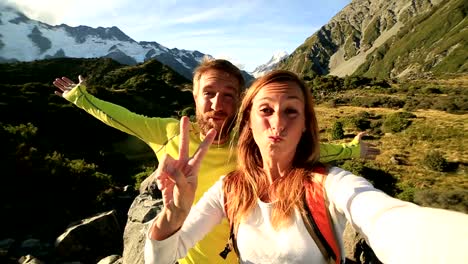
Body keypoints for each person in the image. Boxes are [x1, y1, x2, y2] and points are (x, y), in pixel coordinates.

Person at [52, 58, 379, 264]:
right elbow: (119, 117)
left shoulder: (250, 141)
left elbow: (303, 147)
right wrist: (79, 97)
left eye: (228, 95)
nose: (218, 103)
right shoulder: (169, 133)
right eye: (209, 93)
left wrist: (352, 151)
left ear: (239, 100)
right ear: (195, 96)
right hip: (189, 255)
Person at [145, 70, 468, 264]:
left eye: (291, 112)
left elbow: (388, 219)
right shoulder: (229, 189)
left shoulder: (331, 185)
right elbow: (166, 256)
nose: (277, 123)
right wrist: (174, 213)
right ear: (248, 123)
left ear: (305, 127)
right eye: (266, 110)